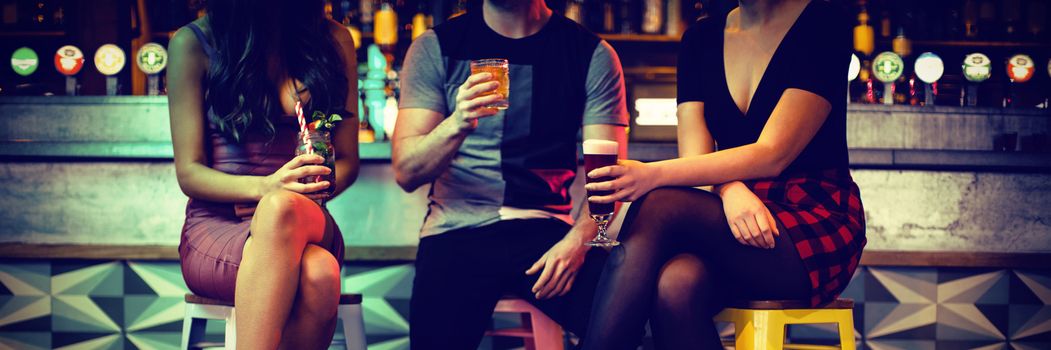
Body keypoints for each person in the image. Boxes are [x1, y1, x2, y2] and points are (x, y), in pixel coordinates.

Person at [581, 0, 865, 349]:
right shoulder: (701, 37)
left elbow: (774, 153)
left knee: (659, 203)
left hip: (812, 218)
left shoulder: (824, 21)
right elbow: (695, 155)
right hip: (731, 217)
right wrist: (729, 189)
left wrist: (652, 174)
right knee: (675, 283)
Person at [392, 0, 629, 348]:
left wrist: (577, 243)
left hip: (546, 229)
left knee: (626, 319)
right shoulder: (436, 46)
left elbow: (609, 177)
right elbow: (406, 172)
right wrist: (458, 122)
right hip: (456, 229)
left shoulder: (591, 53)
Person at [167, 0, 359, 348]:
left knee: (282, 209)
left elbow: (347, 161)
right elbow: (189, 173)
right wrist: (268, 187)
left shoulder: (333, 39)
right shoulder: (192, 42)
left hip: (307, 221)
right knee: (320, 273)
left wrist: (314, 186)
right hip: (218, 227)